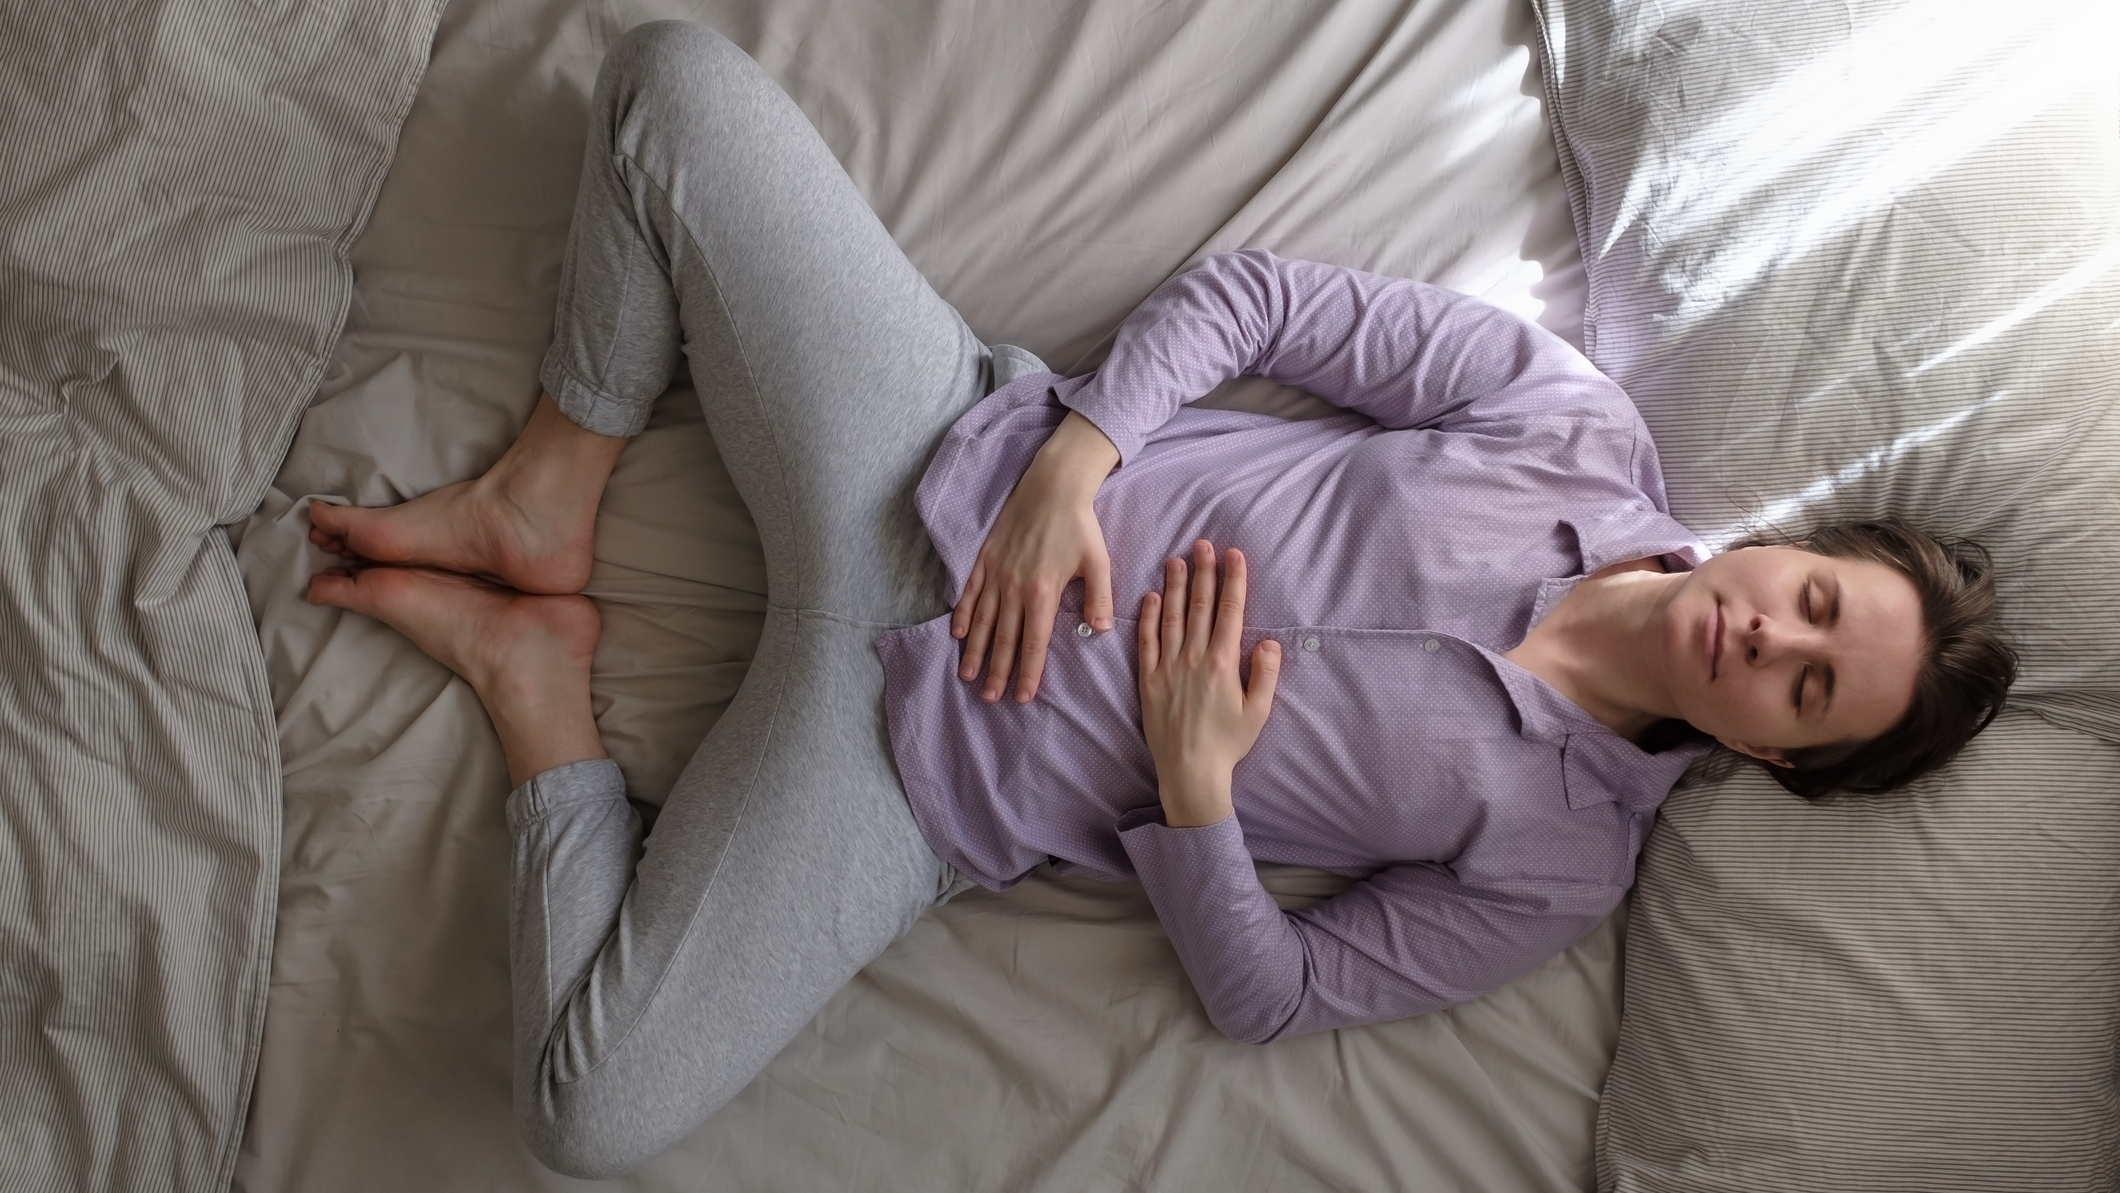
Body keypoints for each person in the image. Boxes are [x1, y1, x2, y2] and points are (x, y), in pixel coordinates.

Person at [302, 20, 2015, 1179]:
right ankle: (554, 483)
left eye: (1808, 688)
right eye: (1814, 601)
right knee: (669, 81)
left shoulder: (1564, 866)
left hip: (913, 783)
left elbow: (1272, 995)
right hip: (929, 455)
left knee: (589, 1114)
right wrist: (1081, 458)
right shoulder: (1571, 427)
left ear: (1782, 760)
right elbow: (1262, 301)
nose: (1772, 636)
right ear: (1795, 547)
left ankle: (539, 681)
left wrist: (1197, 801)